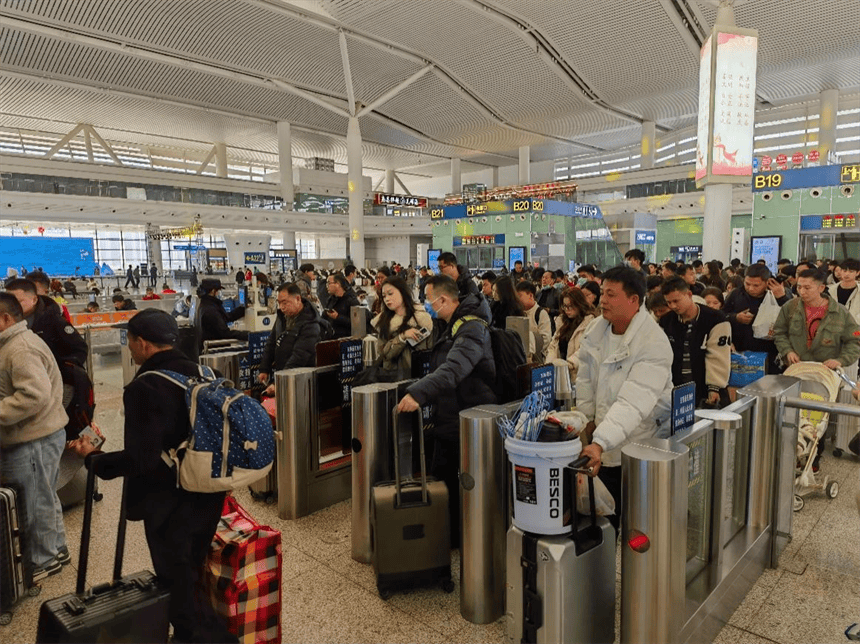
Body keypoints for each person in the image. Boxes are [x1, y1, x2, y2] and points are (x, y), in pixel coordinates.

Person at [68, 310, 237, 643]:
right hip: (209, 489)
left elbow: (140, 460)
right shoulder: (205, 372)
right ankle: (199, 629)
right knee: (193, 566)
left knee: (176, 575)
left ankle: (196, 636)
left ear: (142, 343)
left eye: (129, 340)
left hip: (170, 501)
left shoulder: (143, 388)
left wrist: (95, 458)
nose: (128, 347)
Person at [395, 275, 496, 546]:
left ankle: (461, 536)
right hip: (453, 411)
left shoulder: (471, 327)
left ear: (442, 300)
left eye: (429, 300)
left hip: (468, 414)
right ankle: (450, 535)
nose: (427, 306)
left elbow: (453, 369)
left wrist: (419, 392)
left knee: (455, 478)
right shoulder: (449, 324)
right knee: (443, 475)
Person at [577, 266, 674, 531]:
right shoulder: (598, 329)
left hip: (637, 442)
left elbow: (634, 402)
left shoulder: (653, 343)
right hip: (600, 439)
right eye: (603, 293)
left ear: (634, 300)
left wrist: (600, 441)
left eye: (611, 294)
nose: (603, 300)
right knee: (603, 516)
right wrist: (587, 420)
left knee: (635, 521)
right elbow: (585, 379)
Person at [0, 293, 70, 582]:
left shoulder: (21, 347)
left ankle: (45, 559)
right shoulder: (12, 344)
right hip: (39, 435)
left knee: (34, 500)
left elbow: (34, 395)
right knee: (44, 493)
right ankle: (57, 548)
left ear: (6, 318)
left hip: (33, 438)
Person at [774, 268, 860, 468]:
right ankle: (787, 454)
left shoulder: (839, 313)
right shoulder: (790, 307)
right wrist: (787, 351)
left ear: (821, 288)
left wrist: (840, 360)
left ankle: (814, 458)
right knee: (790, 412)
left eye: (807, 287)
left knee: (818, 414)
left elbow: (855, 340)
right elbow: (779, 332)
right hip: (796, 369)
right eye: (799, 287)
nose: (801, 292)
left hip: (825, 374)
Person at [659, 277, 732, 408]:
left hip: (706, 388)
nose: (673, 306)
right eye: (668, 302)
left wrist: (714, 387)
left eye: (676, 301)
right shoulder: (666, 320)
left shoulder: (716, 319)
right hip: (677, 389)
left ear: (689, 294)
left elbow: (719, 355)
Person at [722, 263, 792, 373]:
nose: (750, 288)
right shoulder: (736, 294)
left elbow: (792, 317)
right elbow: (721, 316)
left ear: (767, 282)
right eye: (747, 284)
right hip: (741, 351)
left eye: (756, 286)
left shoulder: (779, 294)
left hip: (770, 352)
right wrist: (735, 317)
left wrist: (782, 298)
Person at [5, 278, 88, 368]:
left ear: (34, 300)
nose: (13, 306)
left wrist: (63, 369)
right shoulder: (6, 321)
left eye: (19, 301)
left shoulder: (52, 319)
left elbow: (79, 348)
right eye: (9, 302)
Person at [257, 284, 322, 395]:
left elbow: (300, 356)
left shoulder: (310, 323)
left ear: (297, 299)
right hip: (283, 375)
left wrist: (280, 382)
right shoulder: (282, 317)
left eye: (285, 303)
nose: (282, 307)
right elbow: (272, 342)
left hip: (300, 382)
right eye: (279, 303)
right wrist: (264, 368)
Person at [371, 277, 433, 375]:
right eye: (384, 296)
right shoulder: (383, 322)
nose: (387, 299)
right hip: (392, 378)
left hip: (419, 377)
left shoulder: (421, 318)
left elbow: (429, 349)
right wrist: (401, 337)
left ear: (402, 292)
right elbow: (384, 354)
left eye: (390, 294)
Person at [545, 287, 597, 381]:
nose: (567, 310)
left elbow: (586, 349)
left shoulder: (590, 322)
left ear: (579, 304)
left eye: (571, 306)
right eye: (564, 306)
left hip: (579, 376)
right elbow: (553, 346)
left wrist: (570, 364)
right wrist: (550, 365)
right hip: (560, 375)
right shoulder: (562, 322)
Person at [196, 278, 247, 350]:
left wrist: (242, 309)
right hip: (215, 349)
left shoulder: (207, 304)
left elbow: (226, 317)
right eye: (218, 291)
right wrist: (247, 335)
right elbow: (225, 333)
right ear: (213, 291)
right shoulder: (210, 310)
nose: (219, 293)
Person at [516, 281, 553, 363]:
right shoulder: (518, 313)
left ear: (530, 296)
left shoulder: (540, 313)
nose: (517, 300)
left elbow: (546, 339)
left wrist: (531, 340)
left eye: (520, 296)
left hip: (537, 359)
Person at [324, 273, 360, 338]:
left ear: (338, 284)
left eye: (329, 283)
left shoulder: (351, 300)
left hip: (346, 339)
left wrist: (338, 317)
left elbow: (356, 323)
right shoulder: (331, 299)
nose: (327, 286)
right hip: (331, 337)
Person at [828, 258, 860, 325]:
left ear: (857, 273)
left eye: (851, 271)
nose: (847, 274)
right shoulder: (830, 290)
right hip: (834, 327)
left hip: (855, 328)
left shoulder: (858, 291)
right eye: (844, 271)